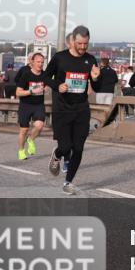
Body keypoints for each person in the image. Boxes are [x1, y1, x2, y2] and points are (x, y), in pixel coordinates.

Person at [44, 25, 100, 195]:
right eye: (80, 43)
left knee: (78, 148)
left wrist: (96, 79)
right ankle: (57, 154)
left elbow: (96, 84)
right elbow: (45, 76)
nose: (83, 47)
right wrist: (57, 85)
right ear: (73, 41)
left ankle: (68, 181)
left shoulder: (90, 60)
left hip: (82, 109)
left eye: (86, 44)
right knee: (66, 146)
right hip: (62, 108)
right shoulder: (60, 58)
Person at [15, 52, 47, 160]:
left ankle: (31, 139)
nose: (40, 64)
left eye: (42, 62)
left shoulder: (44, 74)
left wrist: (47, 88)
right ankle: (21, 150)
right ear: (32, 62)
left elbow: (48, 85)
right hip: (25, 105)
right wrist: (31, 91)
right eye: (38, 62)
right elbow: (18, 92)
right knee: (24, 130)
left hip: (39, 105)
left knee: (39, 126)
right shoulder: (26, 75)